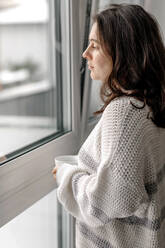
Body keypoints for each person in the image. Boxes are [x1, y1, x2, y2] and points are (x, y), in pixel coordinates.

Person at [52, 4, 165, 248]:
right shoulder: (150, 106)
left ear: (122, 51)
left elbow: (105, 202)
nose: (85, 54)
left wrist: (66, 176)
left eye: (94, 45)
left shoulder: (126, 113)